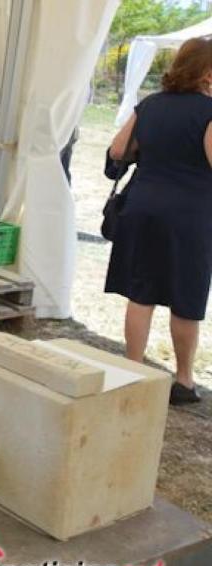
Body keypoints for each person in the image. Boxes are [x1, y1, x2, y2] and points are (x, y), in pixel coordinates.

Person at [105, 36, 212, 406]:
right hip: (190, 216)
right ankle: (183, 380)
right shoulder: (209, 111)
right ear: (208, 72)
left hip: (143, 207)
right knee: (186, 297)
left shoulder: (149, 104)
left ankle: (132, 369)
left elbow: (119, 150)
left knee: (141, 292)